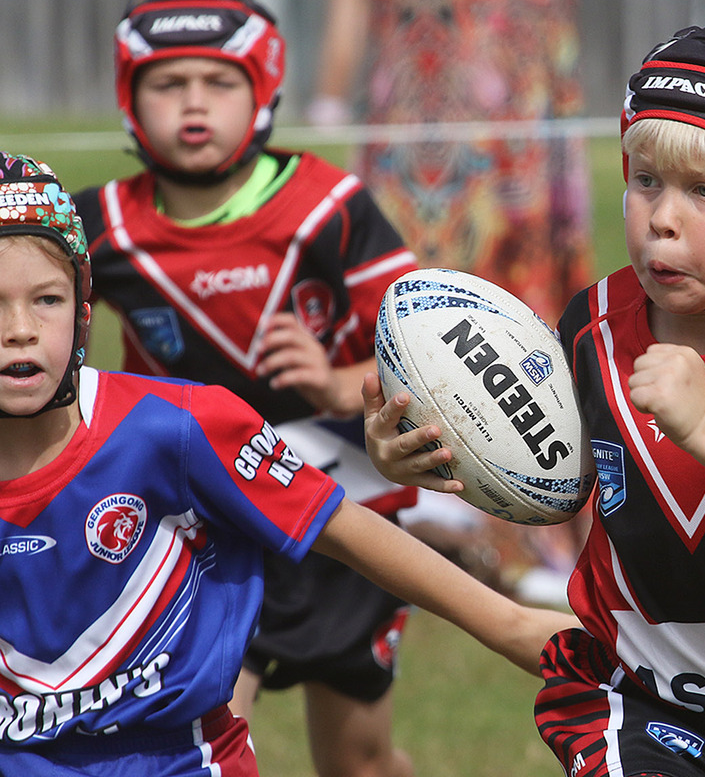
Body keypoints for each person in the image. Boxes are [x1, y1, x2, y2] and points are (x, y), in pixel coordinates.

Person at [367, 22, 705, 776]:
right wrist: (426, 454)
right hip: (631, 704)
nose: (662, 217)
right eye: (646, 180)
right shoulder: (592, 324)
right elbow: (549, 476)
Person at [0, 151, 574, 777]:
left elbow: (341, 525)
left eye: (47, 299)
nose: (20, 329)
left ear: (83, 308)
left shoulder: (178, 426)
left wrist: (512, 626)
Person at [73, 0, 424, 774]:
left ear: (263, 88)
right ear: (129, 97)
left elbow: (430, 355)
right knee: (205, 737)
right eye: (168, 83)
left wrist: (336, 384)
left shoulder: (329, 208)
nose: (194, 103)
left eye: (219, 82)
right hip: (205, 518)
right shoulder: (98, 226)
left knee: (359, 761)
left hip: (346, 511)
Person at [304, 0, 597, 603]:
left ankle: (529, 523)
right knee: (412, 302)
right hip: (417, 104)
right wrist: (328, 96)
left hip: (517, 96)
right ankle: (421, 506)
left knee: (518, 296)